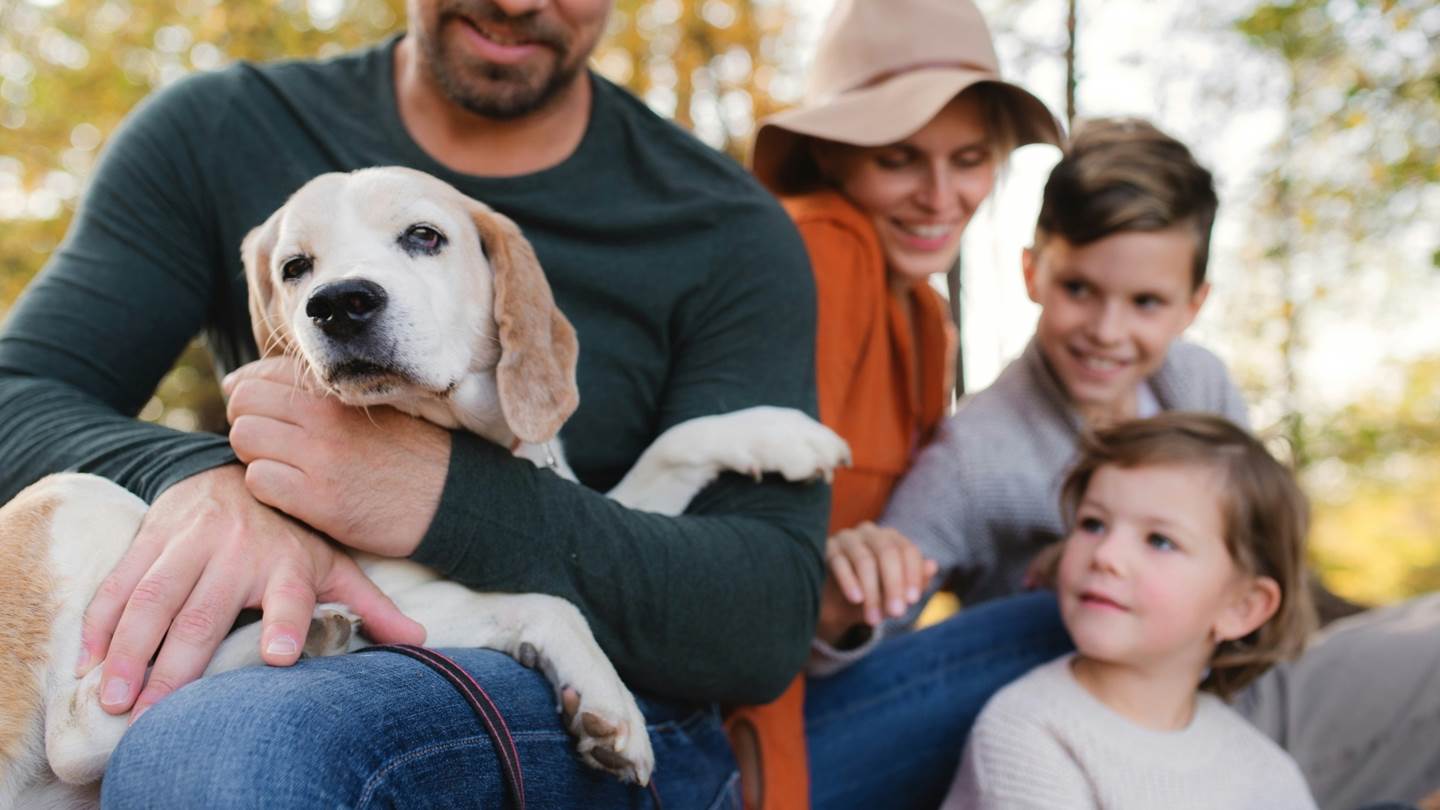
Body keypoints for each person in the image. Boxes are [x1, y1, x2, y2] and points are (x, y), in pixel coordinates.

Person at [0, 0, 831, 805]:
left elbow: (763, 625)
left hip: (625, 702)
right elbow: (16, 394)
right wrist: (211, 479)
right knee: (228, 723)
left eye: (421, 240)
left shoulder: (731, 225)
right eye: (301, 274)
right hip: (146, 694)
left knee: (237, 734)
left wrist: (440, 498)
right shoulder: (214, 128)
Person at [818, 117, 1440, 808]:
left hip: (1226, 689)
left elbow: (1259, 566)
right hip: (1109, 720)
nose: (1107, 332)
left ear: (1193, 304)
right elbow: (871, 653)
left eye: (1145, 302)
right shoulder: (978, 457)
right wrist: (847, 607)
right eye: (1079, 289)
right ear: (1032, 271)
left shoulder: (1199, 385)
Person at [731, 1, 1066, 807]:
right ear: (833, 154)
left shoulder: (923, 318)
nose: (941, 196)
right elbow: (732, 560)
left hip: (829, 679)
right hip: (735, 727)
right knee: (1071, 619)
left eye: (972, 158)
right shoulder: (825, 250)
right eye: (899, 159)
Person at [945, 413, 1318, 809]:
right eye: (1093, 524)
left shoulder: (1267, 774)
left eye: (1159, 541)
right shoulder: (1028, 730)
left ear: (1241, 608)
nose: (1105, 555)